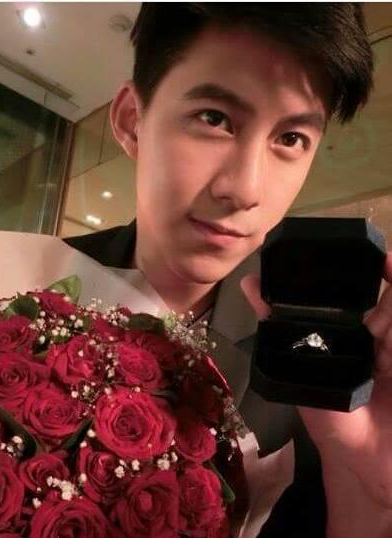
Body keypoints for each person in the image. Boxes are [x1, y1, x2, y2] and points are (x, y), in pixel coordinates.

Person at [65, 3, 392, 538]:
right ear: (131, 121)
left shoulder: (332, 368)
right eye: (214, 119)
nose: (245, 189)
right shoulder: (13, 291)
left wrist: (368, 495)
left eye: (290, 139)